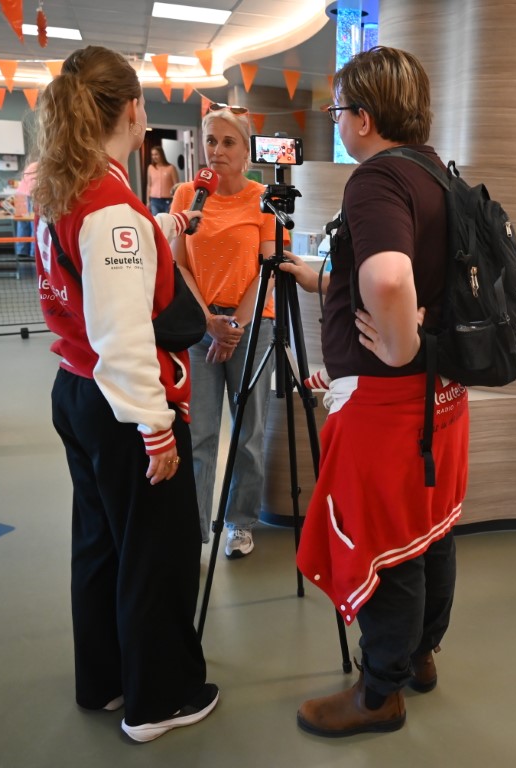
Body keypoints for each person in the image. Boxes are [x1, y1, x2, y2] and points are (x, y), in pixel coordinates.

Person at [278, 46, 468, 737]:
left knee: (389, 541)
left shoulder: (377, 179)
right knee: (431, 527)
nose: (337, 123)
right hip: (440, 394)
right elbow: (410, 274)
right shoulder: (437, 173)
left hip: (388, 400)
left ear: (363, 117)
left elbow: (389, 279)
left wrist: (397, 345)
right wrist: (326, 281)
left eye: (338, 111)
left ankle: (378, 692)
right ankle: (420, 656)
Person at [29, 45, 217, 744]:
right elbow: (124, 332)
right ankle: (159, 700)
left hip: (78, 388)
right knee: (155, 553)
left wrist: (157, 232)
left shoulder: (66, 190)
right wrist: (156, 428)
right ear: (134, 111)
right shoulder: (110, 207)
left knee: (102, 545)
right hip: (124, 405)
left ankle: (105, 679)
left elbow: (93, 284)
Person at [171, 105, 286, 559]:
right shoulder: (188, 194)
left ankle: (240, 522)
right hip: (200, 328)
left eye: (228, 142)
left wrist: (234, 324)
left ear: (246, 151)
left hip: (252, 327)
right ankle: (195, 530)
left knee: (248, 433)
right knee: (198, 434)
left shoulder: (264, 199)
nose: (216, 151)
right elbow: (179, 264)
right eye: (210, 141)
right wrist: (208, 323)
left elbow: (268, 268)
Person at [146, 146, 179, 215]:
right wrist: (148, 201)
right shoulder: (150, 168)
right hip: (154, 201)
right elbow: (149, 185)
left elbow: (176, 186)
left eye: (156, 154)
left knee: (167, 220)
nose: (154, 157)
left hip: (168, 201)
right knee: (156, 220)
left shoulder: (171, 168)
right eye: (152, 155)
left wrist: (174, 201)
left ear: (161, 154)